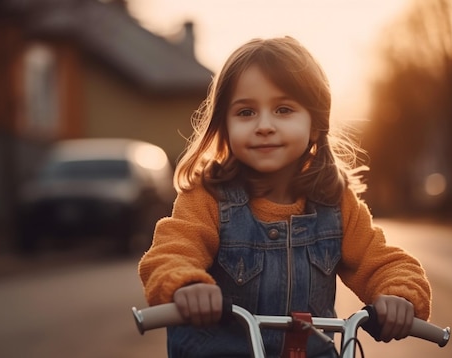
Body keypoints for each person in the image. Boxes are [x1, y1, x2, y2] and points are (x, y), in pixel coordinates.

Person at [138, 36, 431, 357]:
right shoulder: (207, 198)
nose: (264, 125)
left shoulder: (336, 204)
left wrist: (398, 294)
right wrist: (186, 285)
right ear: (224, 125)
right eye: (246, 112)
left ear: (315, 126)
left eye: (283, 109)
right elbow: (171, 251)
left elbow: (383, 262)